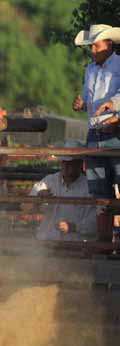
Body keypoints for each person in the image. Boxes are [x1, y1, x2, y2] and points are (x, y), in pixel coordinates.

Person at [72, 24, 120, 239]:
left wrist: (113, 104)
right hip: (95, 132)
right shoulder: (90, 69)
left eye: (96, 46)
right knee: (99, 192)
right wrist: (82, 104)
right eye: (91, 46)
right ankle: (104, 245)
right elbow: (89, 100)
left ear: (108, 45)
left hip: (116, 133)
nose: (92, 51)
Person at [22, 140, 96, 241]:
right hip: (47, 243)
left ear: (79, 164)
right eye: (64, 161)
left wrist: (74, 227)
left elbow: (94, 223)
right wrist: (38, 199)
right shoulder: (49, 181)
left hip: (74, 247)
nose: (66, 165)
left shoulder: (90, 188)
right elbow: (25, 207)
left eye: (70, 162)